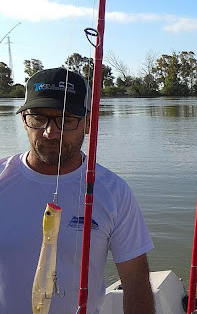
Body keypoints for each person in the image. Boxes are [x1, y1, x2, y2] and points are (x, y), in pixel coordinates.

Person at [0, 68, 155, 313]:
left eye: (67, 120)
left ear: (88, 124)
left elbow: (135, 281)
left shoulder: (113, 192)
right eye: (38, 118)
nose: (51, 132)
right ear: (23, 120)